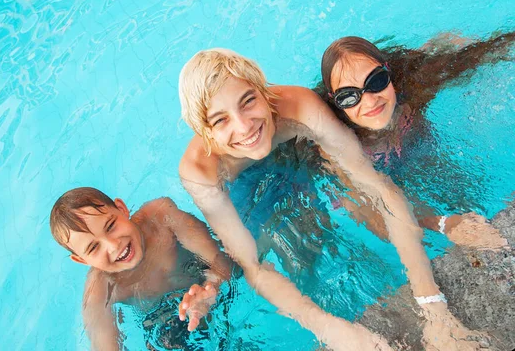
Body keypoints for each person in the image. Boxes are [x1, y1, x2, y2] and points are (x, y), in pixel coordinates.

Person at [178, 48, 484, 350]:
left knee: (341, 207)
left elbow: (377, 187)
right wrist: (335, 331)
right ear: (203, 131)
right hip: (240, 182)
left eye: (248, 102)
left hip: (290, 148)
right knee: (296, 255)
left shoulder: (298, 106)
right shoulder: (199, 170)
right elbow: (253, 266)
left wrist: (431, 303)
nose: (243, 126)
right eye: (220, 120)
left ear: (263, 91)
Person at [317, 34, 515, 249]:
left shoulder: (414, 89)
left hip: (417, 152)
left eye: (376, 81)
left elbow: (483, 53)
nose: (370, 100)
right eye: (349, 96)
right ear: (334, 101)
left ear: (388, 72)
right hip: (377, 179)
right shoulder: (337, 145)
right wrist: (443, 224)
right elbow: (376, 217)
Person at [49, 187, 231, 350]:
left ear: (121, 208)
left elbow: (222, 260)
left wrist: (211, 291)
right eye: (93, 248)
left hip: (209, 289)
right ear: (81, 260)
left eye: (111, 226)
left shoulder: (162, 218)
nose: (113, 246)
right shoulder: (99, 292)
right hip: (164, 327)